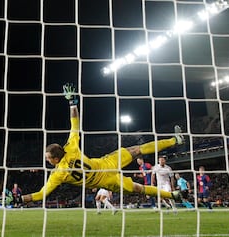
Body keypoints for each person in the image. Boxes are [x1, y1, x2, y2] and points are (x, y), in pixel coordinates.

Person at [19, 83, 184, 204]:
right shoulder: (71, 148)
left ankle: (172, 195)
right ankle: (174, 140)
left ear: (55, 158)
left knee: (137, 187)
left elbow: (41, 194)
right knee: (137, 150)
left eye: (48, 158)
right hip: (106, 163)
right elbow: (75, 123)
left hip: (106, 181)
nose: (47, 160)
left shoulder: (58, 174)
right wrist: (72, 103)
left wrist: (21, 199)